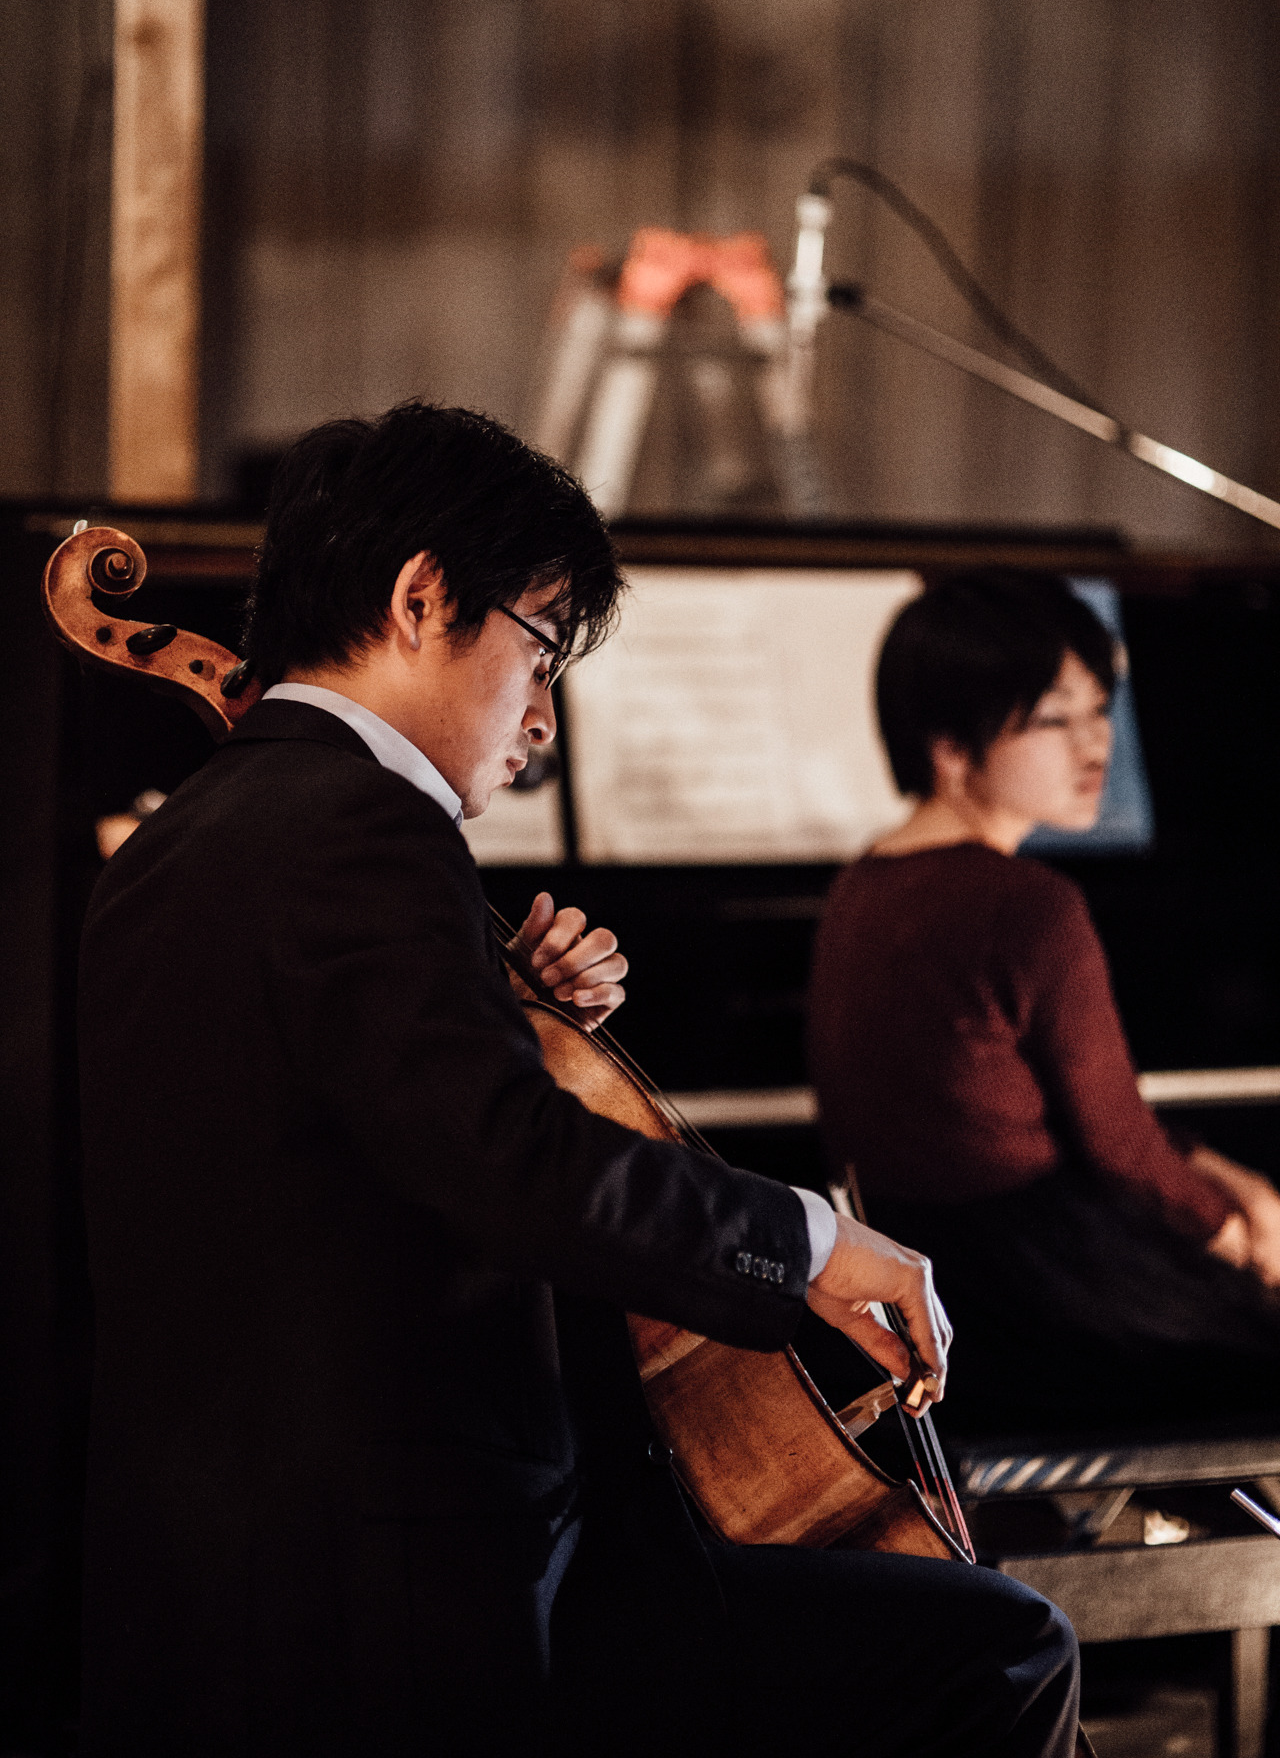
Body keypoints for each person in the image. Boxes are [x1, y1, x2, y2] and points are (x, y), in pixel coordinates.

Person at [77, 408, 1079, 1756]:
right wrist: (812, 1241)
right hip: (417, 1587)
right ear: (421, 599)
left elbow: (341, 1149)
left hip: (227, 1566)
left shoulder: (180, 839)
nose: (543, 720)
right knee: (993, 1649)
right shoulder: (366, 826)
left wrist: (510, 1014)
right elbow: (515, 1168)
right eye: (540, 650)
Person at [809, 568, 1280, 1437]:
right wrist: (1237, 1235)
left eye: (1099, 709)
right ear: (952, 748)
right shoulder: (1029, 902)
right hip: (1040, 1298)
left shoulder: (859, 883)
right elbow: (1117, 1146)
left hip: (926, 1275)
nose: (1096, 743)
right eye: (1054, 720)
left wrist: (1222, 1174)